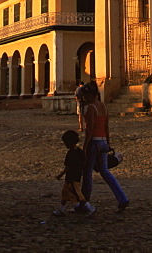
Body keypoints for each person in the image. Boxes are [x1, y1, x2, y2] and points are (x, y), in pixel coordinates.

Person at [81, 81, 129, 212]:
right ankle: (122, 198)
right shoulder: (104, 107)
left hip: (94, 142)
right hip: (103, 142)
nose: (85, 98)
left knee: (87, 173)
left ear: (91, 95)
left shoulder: (92, 108)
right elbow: (106, 127)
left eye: (86, 95)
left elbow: (89, 129)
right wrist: (108, 143)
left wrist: (85, 146)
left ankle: (84, 203)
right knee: (105, 172)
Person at [53, 130, 95, 216]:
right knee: (65, 193)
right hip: (75, 176)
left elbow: (68, 167)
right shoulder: (79, 152)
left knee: (78, 195)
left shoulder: (70, 153)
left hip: (72, 178)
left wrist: (60, 175)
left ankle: (89, 208)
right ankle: (62, 208)